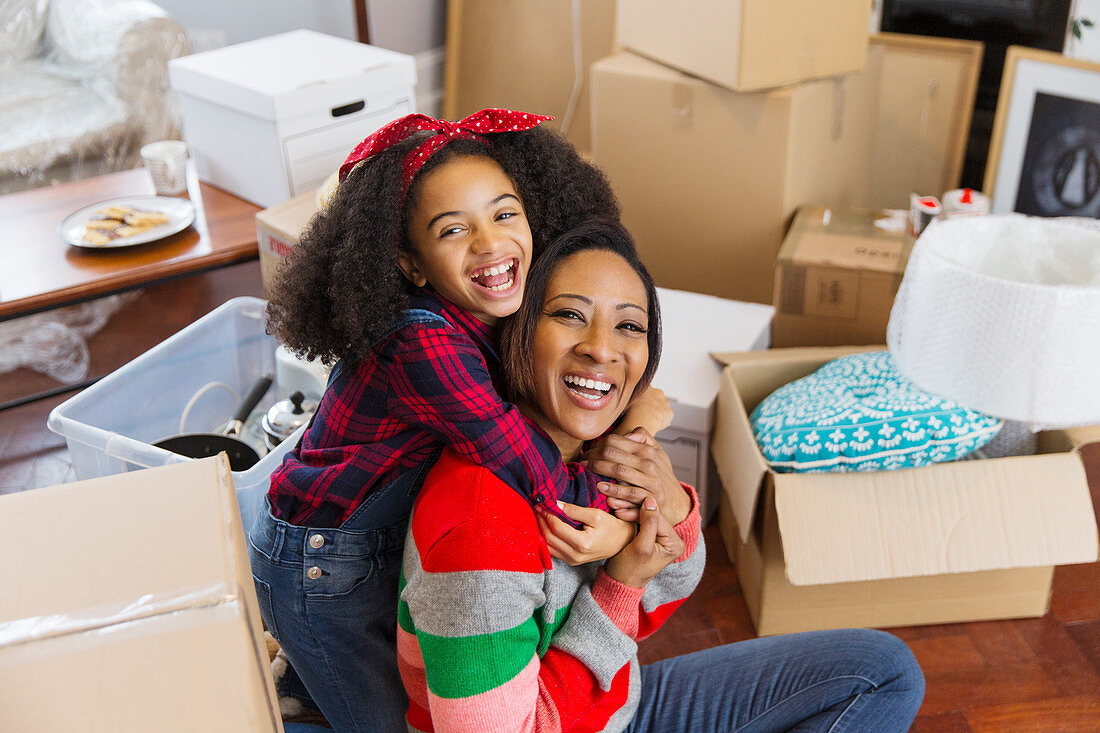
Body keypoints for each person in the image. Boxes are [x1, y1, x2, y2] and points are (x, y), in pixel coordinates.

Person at [398, 220, 926, 732]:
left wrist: (667, 503)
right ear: (517, 329)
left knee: (882, 671)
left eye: (629, 325)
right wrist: (620, 583)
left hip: (614, 710)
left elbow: (670, 585)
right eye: (569, 315)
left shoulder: (585, 451)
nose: (602, 348)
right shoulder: (480, 530)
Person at [249, 111, 666, 732]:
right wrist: (609, 525)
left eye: (505, 215)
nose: (491, 244)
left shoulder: (489, 310)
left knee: (406, 672)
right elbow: (512, 449)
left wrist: (628, 410)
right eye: (453, 230)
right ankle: (306, 679)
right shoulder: (420, 341)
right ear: (412, 266)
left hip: (372, 539)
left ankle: (309, 682)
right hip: (324, 565)